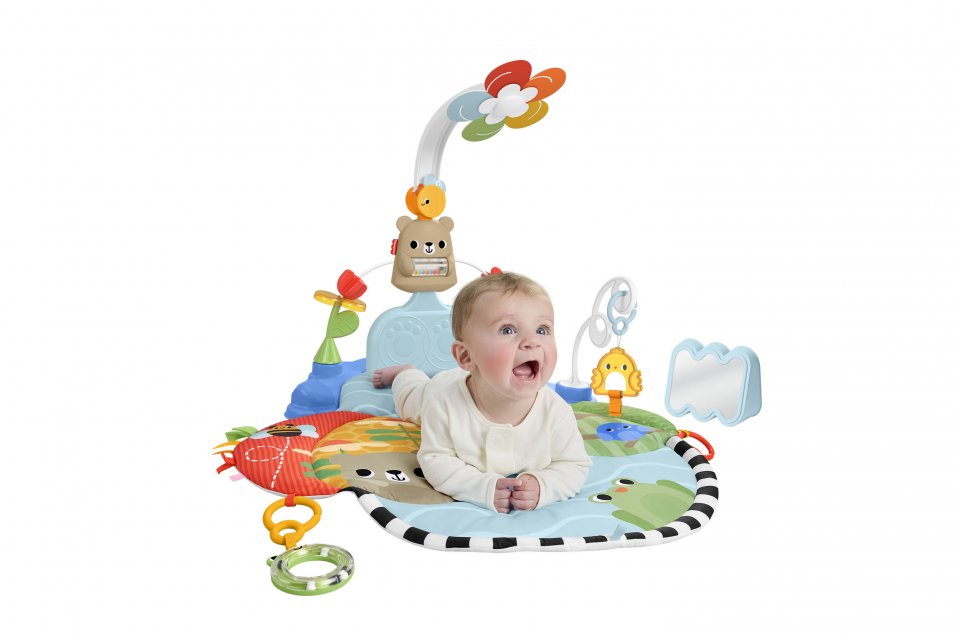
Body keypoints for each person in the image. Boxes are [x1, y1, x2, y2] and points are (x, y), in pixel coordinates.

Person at [372, 272, 591, 513]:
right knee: (409, 401)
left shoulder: (556, 412)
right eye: (507, 330)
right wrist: (480, 487)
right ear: (466, 356)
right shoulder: (443, 402)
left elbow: (574, 465)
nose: (531, 341)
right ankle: (406, 372)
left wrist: (544, 485)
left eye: (542, 329)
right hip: (437, 387)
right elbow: (436, 460)